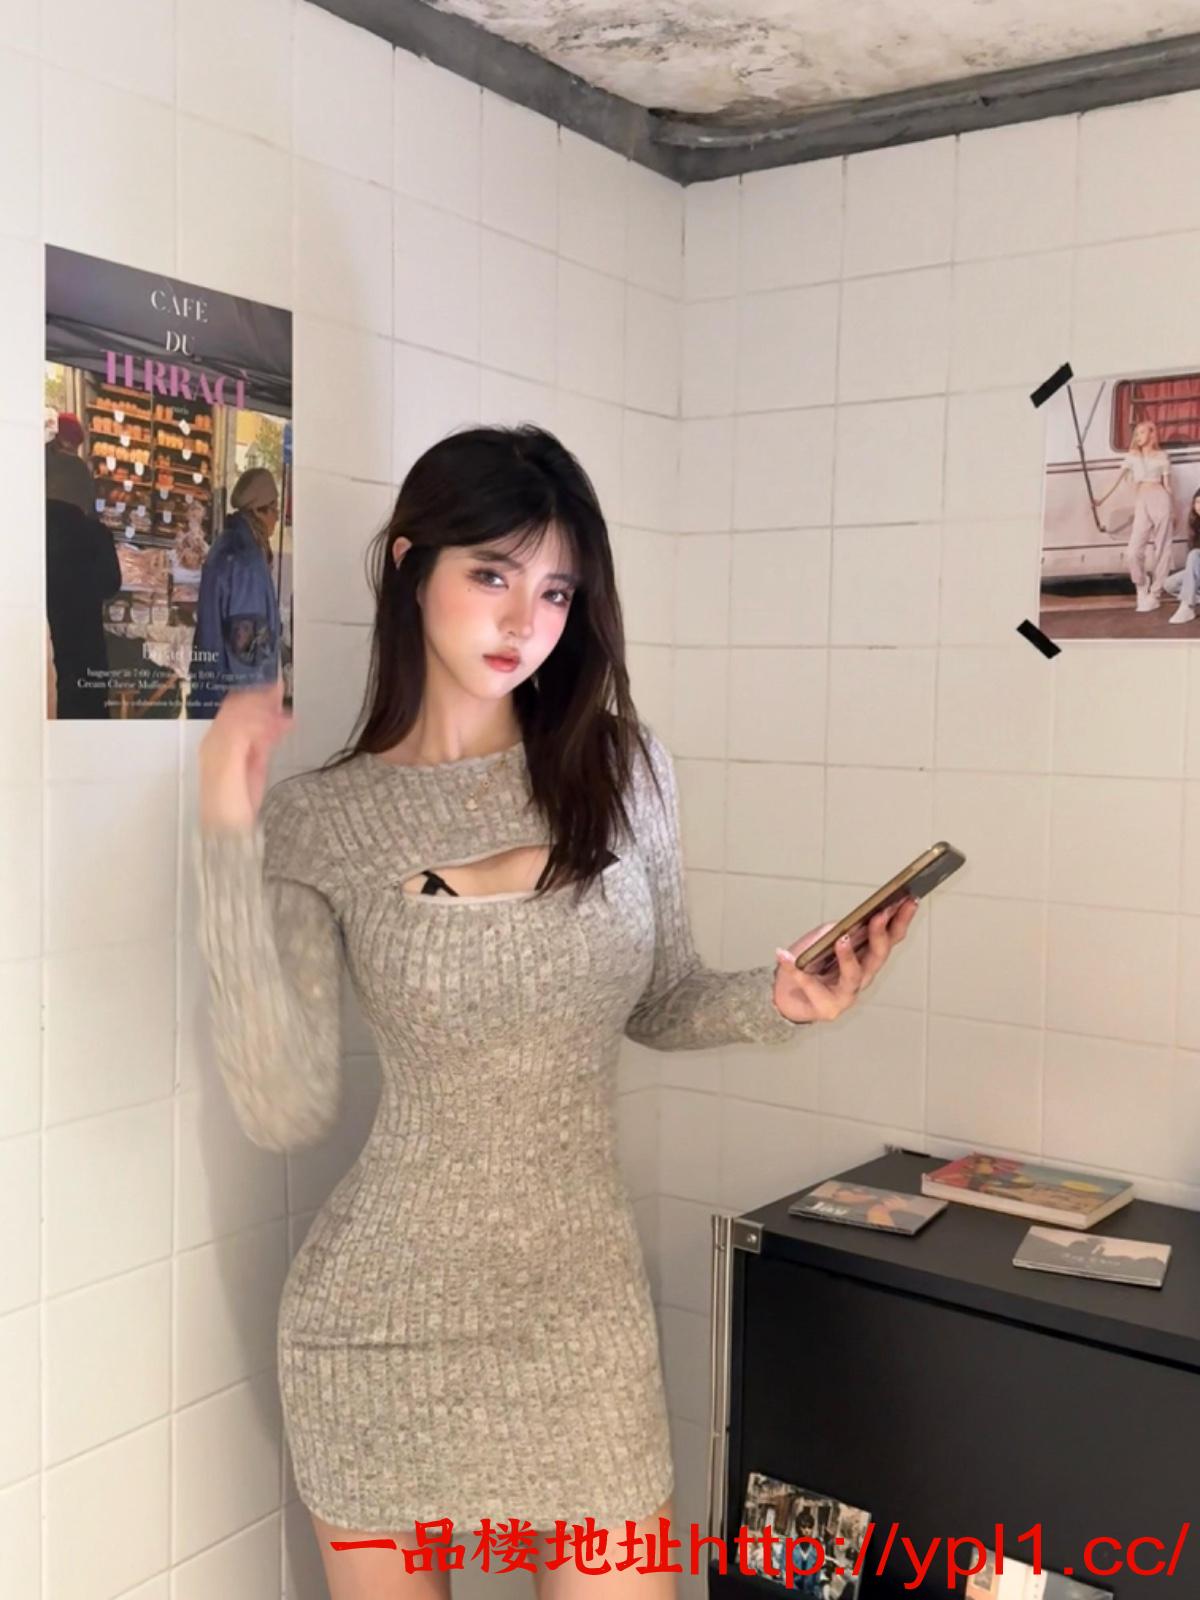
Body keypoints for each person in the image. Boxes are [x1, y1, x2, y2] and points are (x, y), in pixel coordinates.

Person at [191, 425, 919, 1600]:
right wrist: (230, 844)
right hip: (375, 1324)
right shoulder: (323, 821)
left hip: (584, 1316)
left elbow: (664, 996)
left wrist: (780, 999)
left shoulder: (625, 769)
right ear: (410, 565)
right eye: (492, 574)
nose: (523, 620)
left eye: (556, 590)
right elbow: (285, 1098)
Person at [187, 467, 282, 718]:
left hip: (211, 697)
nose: (277, 518)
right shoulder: (247, 562)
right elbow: (248, 654)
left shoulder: (227, 542)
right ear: (258, 511)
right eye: (274, 509)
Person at [45, 413, 122, 718]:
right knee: (85, 706)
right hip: (84, 643)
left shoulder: (28, 531)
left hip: (45, 643)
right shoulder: (95, 534)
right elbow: (111, 585)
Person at [1095, 419, 1174, 611]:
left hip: (1161, 498)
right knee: (1133, 551)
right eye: (1136, 433)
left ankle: (1155, 594)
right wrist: (1101, 499)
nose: (1138, 437)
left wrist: (1174, 510)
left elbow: (1168, 486)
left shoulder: (1162, 456)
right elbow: (1116, 480)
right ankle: (1141, 584)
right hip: (1142, 500)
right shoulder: (1132, 457)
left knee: (1163, 548)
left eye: (1142, 432)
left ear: (1152, 434)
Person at [1161, 487, 1200, 624]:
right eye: (1197, 502)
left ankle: (1188, 607)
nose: (1199, 506)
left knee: (1194, 554)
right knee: (1169, 584)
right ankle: (1191, 597)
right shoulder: (1195, 525)